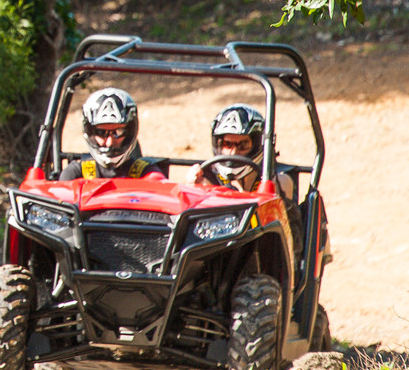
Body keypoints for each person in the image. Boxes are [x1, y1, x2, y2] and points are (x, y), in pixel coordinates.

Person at [186, 103, 302, 260]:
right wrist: (193, 188)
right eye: (228, 144)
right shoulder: (206, 179)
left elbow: (285, 233)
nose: (233, 152)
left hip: (268, 257)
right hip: (219, 255)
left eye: (243, 145)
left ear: (257, 144)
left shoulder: (279, 180)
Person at [59, 88, 166, 180]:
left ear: (129, 132)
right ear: (90, 133)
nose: (110, 142)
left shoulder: (146, 173)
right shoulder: (75, 173)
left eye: (118, 132)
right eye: (101, 133)